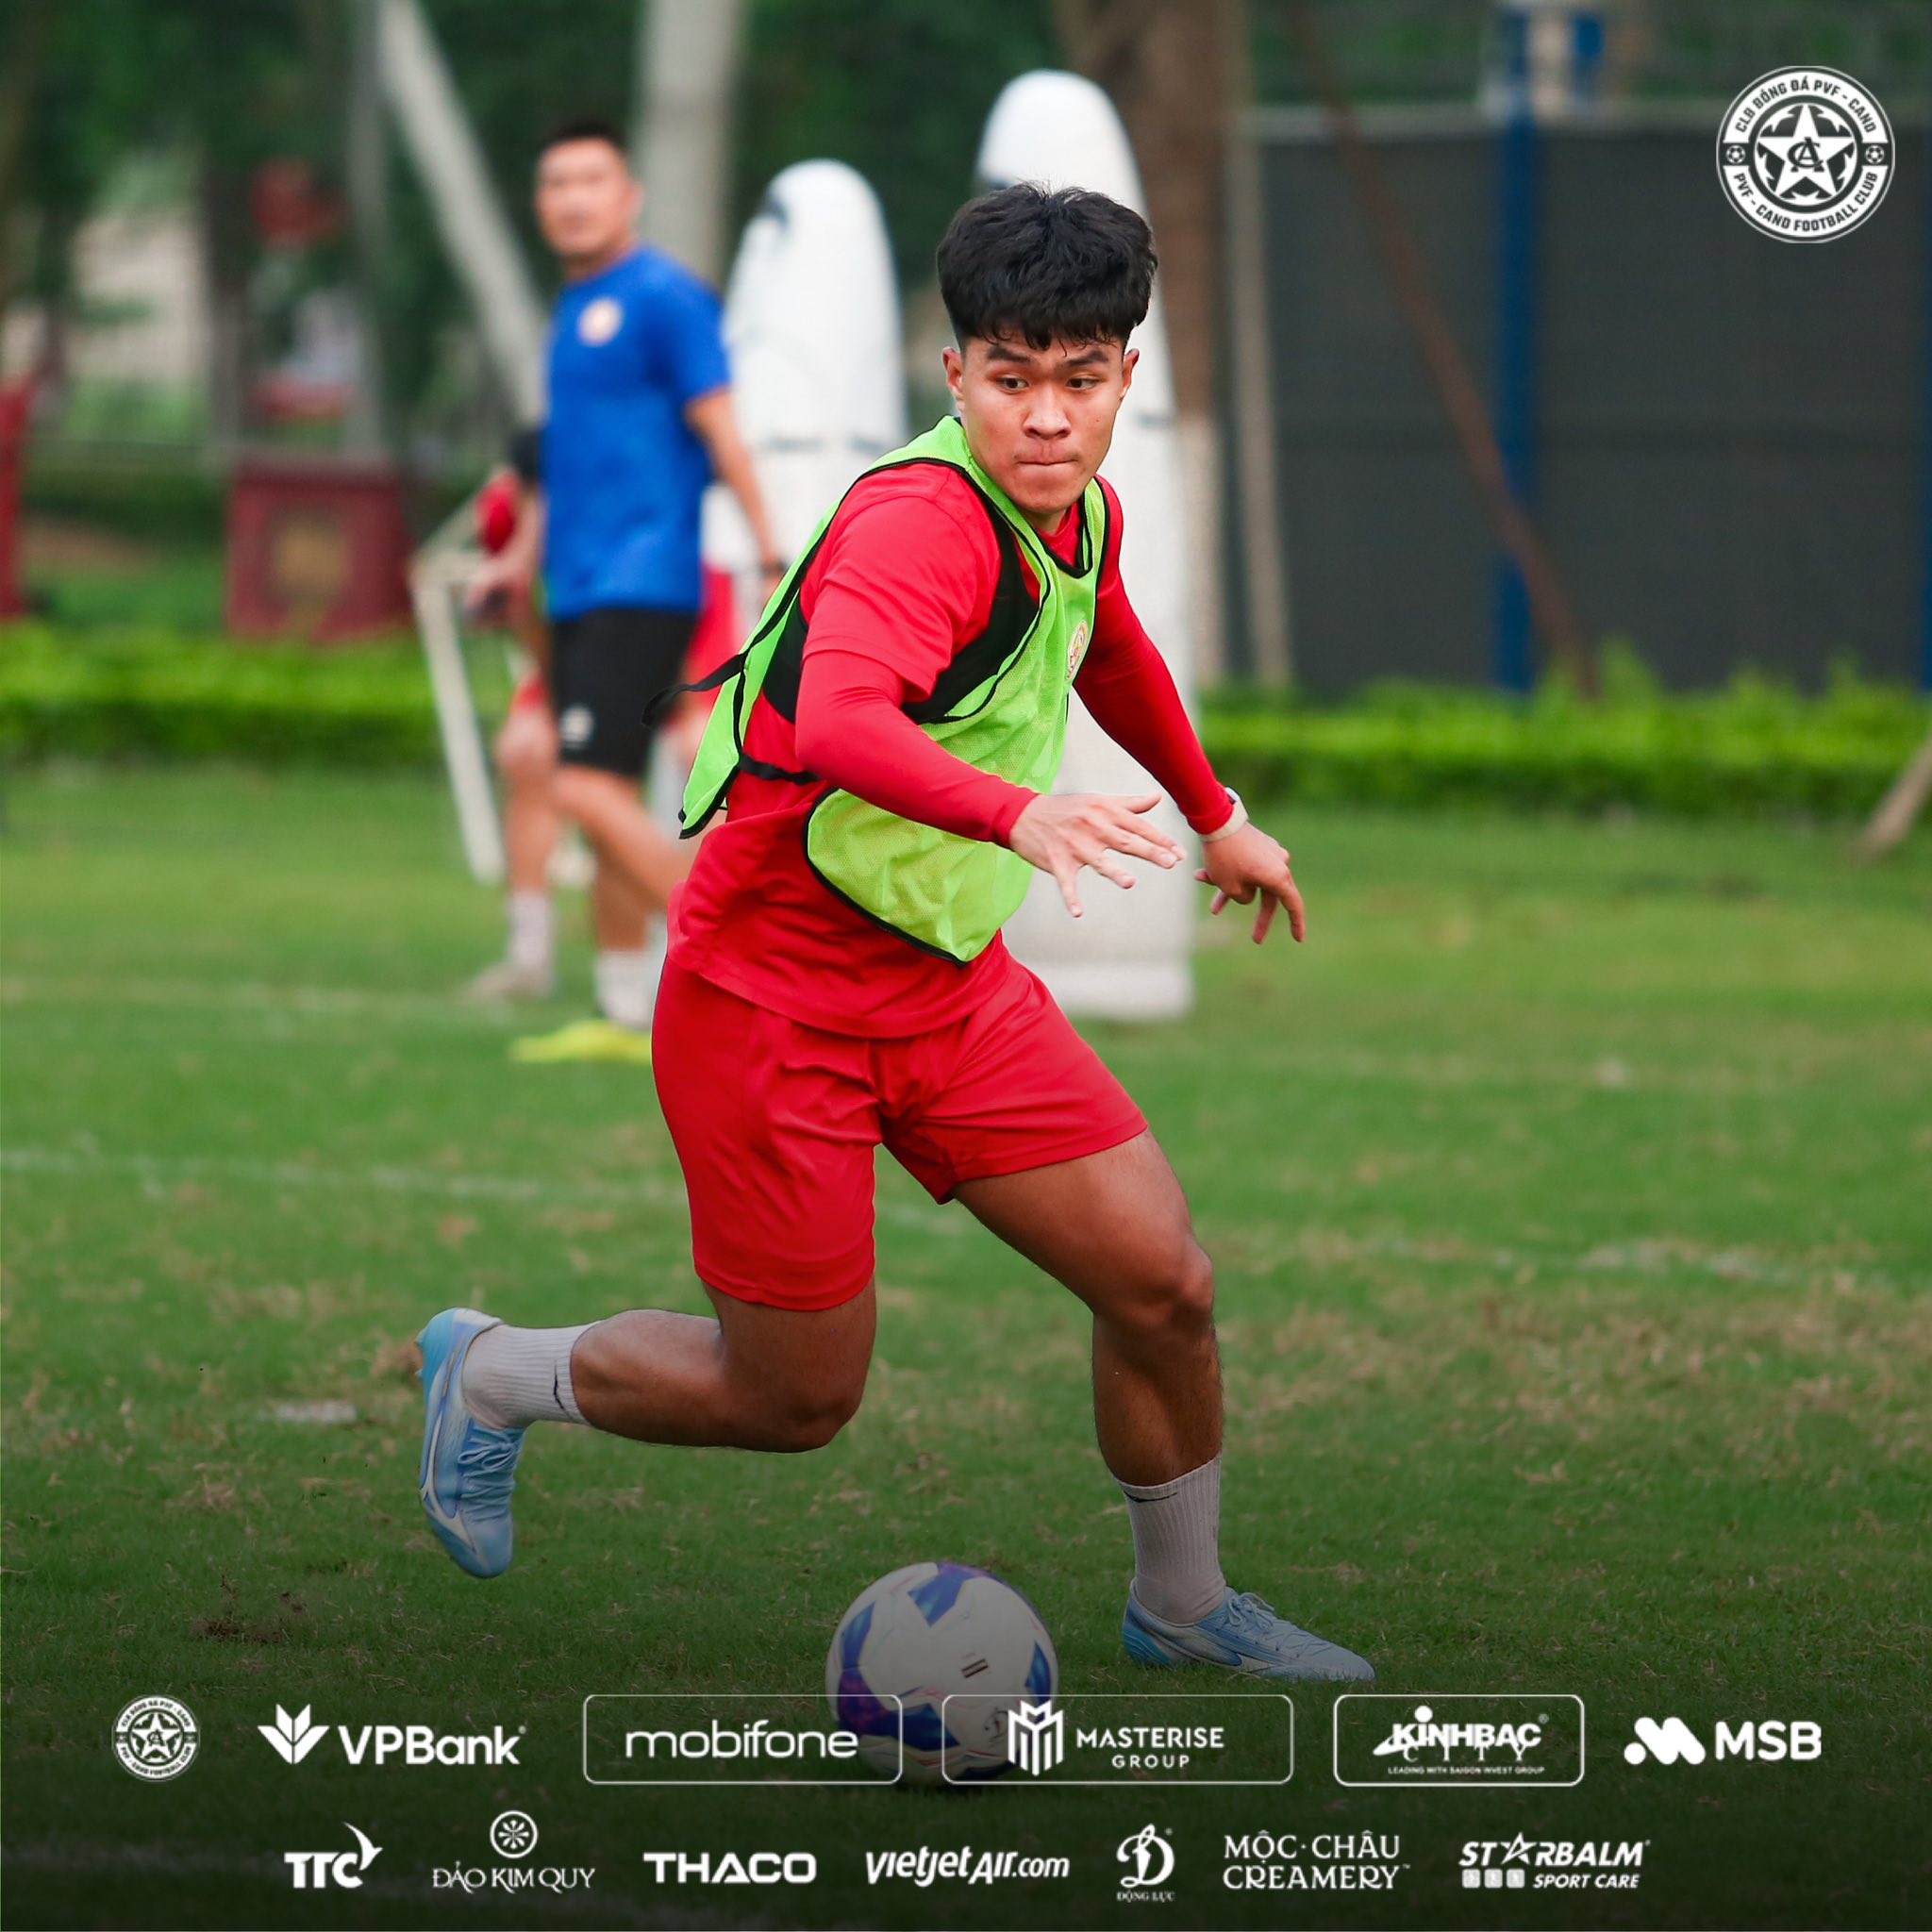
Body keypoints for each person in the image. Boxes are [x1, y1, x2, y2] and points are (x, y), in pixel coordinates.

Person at [417, 184, 1373, 1683]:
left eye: (1081, 378)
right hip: (773, 993)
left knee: (1162, 1282)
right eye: (1011, 377)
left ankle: (1183, 1602)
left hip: (944, 988)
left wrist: (1216, 813)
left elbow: (1106, 640)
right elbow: (845, 721)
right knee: (791, 1400)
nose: (1046, 416)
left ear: (1127, 374)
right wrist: (1016, 814)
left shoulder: (1080, 510)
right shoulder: (921, 523)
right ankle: (490, 1373)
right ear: (955, 374)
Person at [465, 117, 783, 1052]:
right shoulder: (576, 309)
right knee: (601, 787)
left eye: (590, 180)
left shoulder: (664, 298)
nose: (572, 199)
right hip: (578, 587)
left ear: (629, 195)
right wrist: (521, 564)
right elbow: (567, 468)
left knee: (580, 787)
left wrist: (773, 554)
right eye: (555, 183)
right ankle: (622, 1004)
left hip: (641, 579)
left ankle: (749, 961)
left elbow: (722, 431)